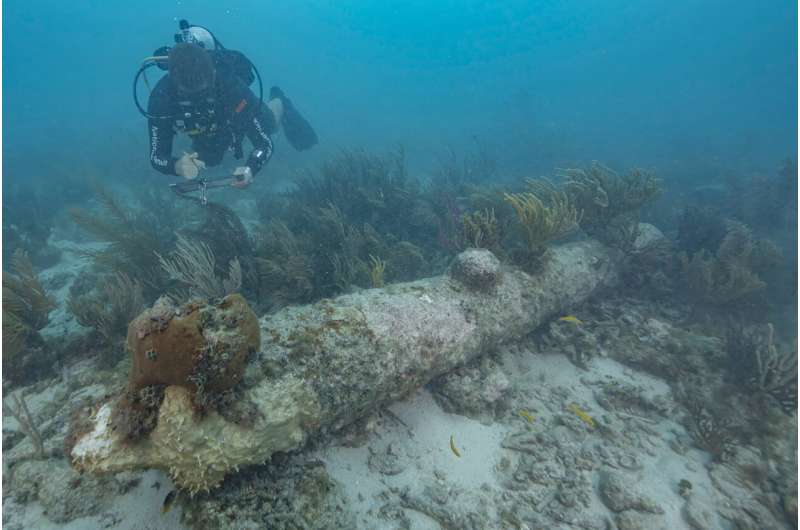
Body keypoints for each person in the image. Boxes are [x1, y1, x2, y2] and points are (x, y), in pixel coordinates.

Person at [145, 24, 316, 188]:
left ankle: (279, 99)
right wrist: (177, 166)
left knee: (269, 124)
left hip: (233, 113)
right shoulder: (162, 97)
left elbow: (264, 142)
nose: (198, 97)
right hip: (205, 126)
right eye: (190, 93)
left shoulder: (230, 85)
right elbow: (157, 156)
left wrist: (250, 169)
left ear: (212, 73)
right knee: (211, 159)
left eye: (203, 89)